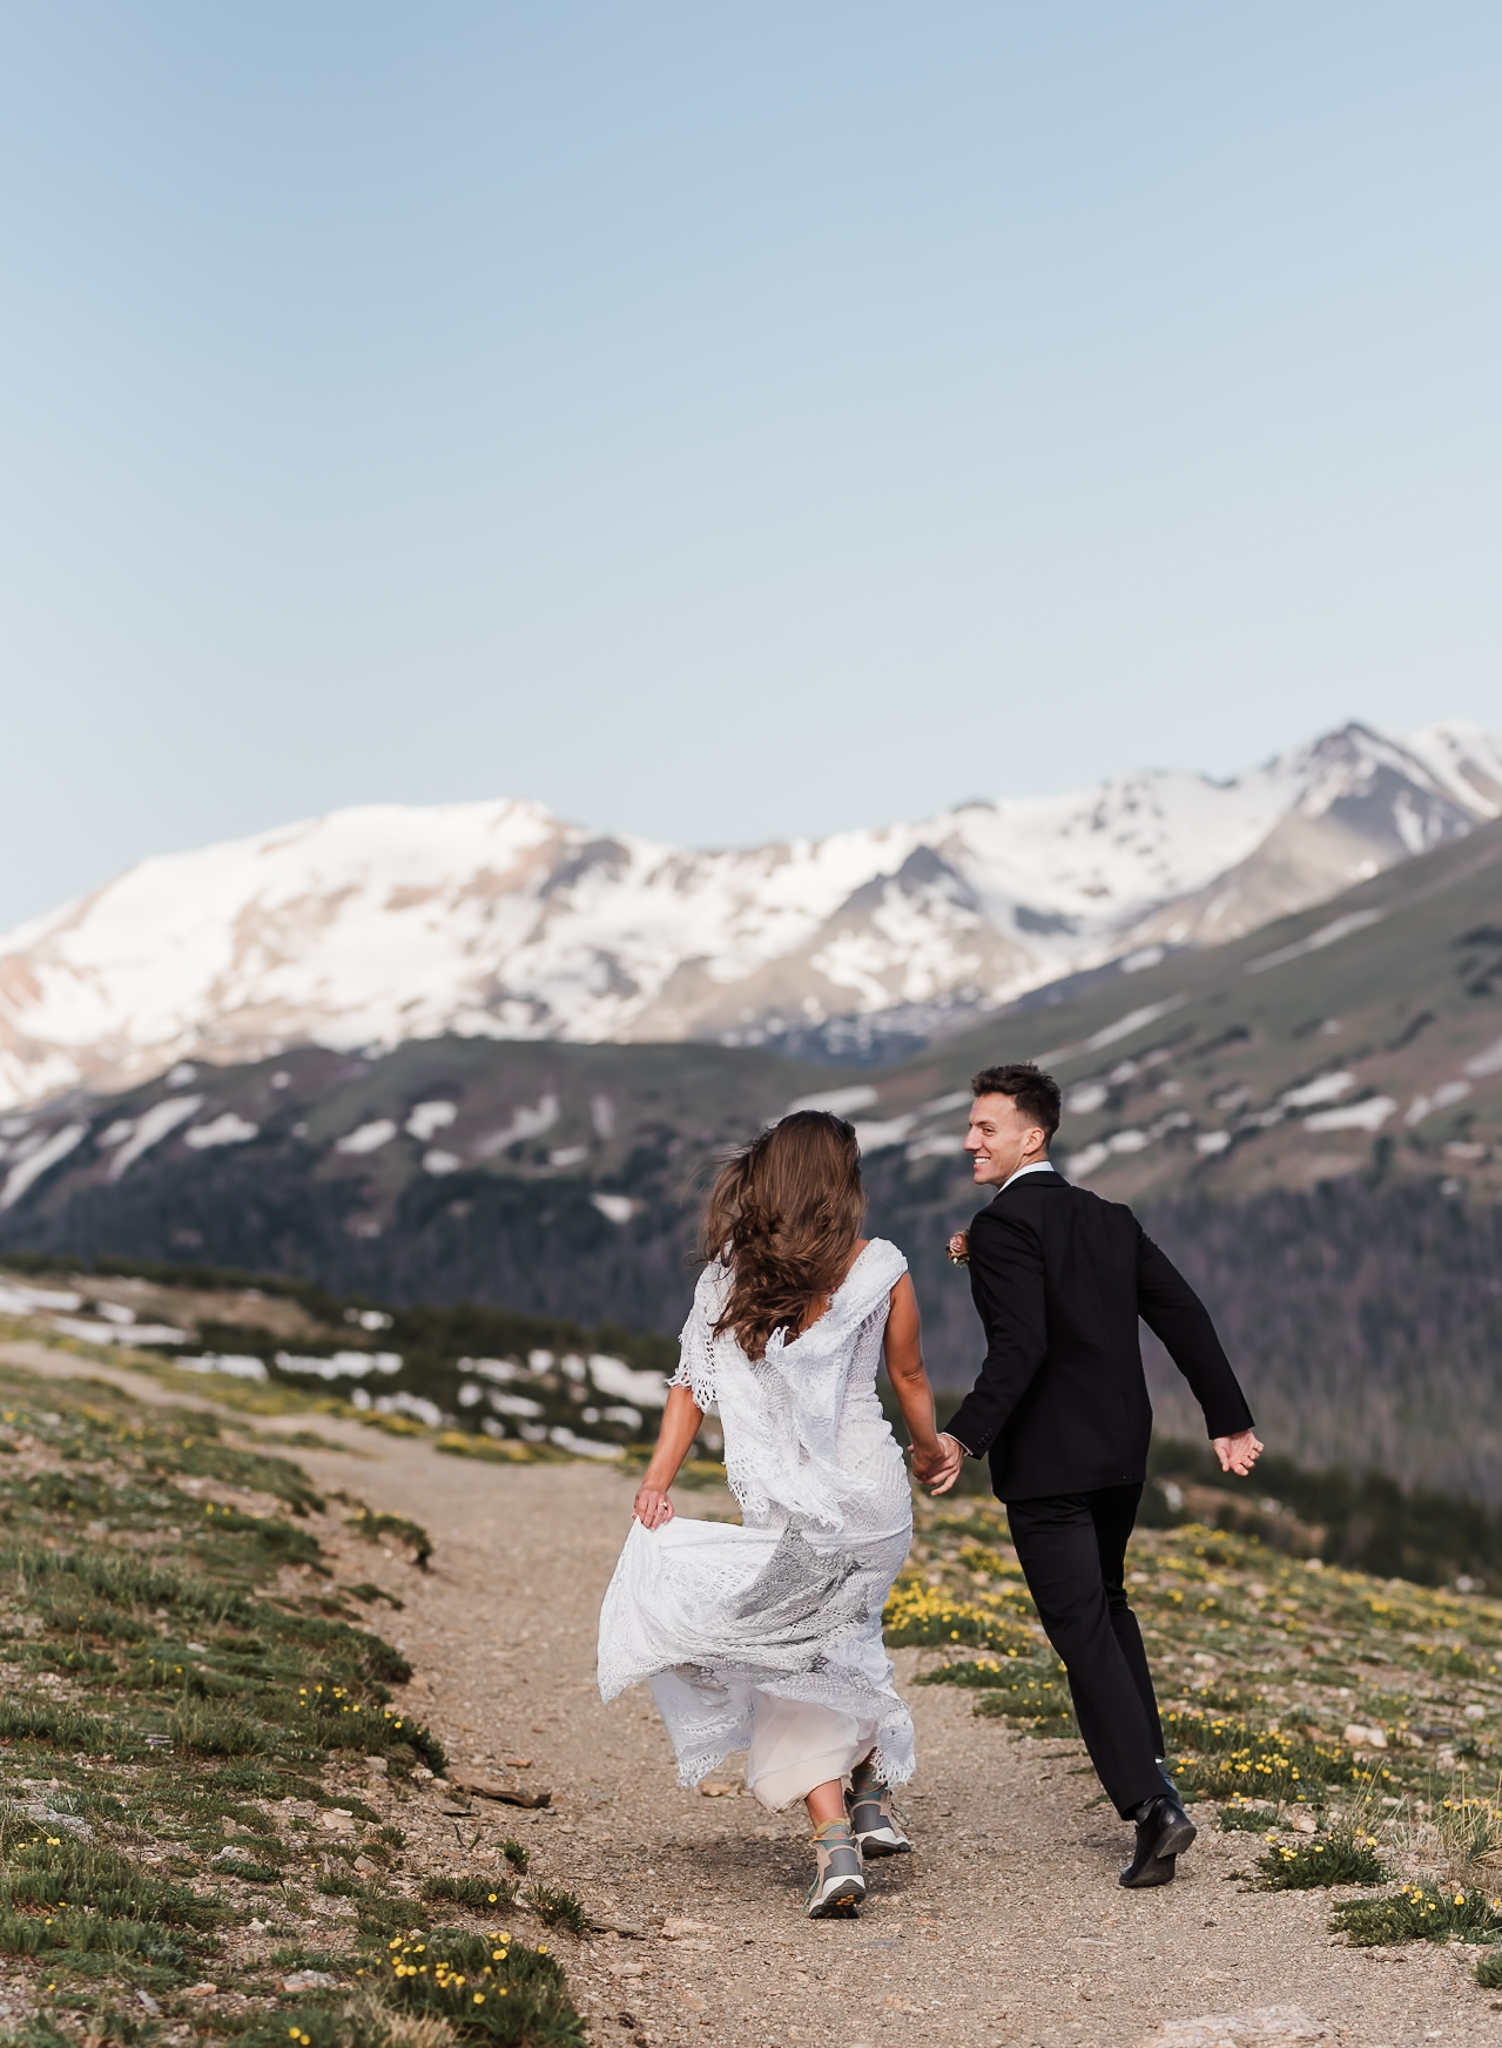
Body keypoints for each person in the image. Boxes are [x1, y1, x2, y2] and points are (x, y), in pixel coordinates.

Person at [597, 1110, 951, 1918]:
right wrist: (932, 1452)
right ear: (837, 1182)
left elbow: (690, 1383)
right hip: (872, 1501)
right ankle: (867, 1792)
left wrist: (658, 1480)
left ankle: (835, 1848)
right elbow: (912, 1376)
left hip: (794, 1510)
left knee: (788, 1660)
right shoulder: (881, 1266)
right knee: (838, 1640)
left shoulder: (728, 1281)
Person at [927, 1062, 1263, 1888]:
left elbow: (1023, 1345)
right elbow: (1181, 1310)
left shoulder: (1004, 1225)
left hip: (1048, 1462)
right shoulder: (1107, 1217)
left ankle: (1152, 1807)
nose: (970, 1140)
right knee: (1108, 1608)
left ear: (1031, 1136)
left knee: (1080, 1627)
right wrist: (1229, 1416)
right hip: (1119, 1453)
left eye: (986, 1128)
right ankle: (1157, 1780)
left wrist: (963, 1437)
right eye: (971, 1126)